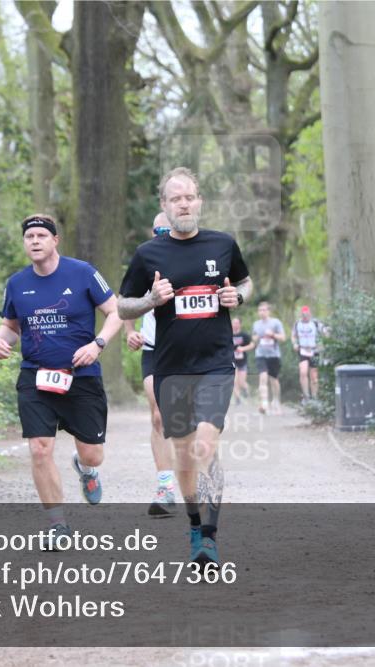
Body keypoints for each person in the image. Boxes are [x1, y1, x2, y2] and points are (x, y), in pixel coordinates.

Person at [117, 167, 253, 567]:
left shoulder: (223, 244)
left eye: (190, 197)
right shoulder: (148, 255)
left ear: (200, 201)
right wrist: (149, 301)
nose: (184, 203)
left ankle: (209, 538)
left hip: (215, 363)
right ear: (165, 206)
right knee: (184, 454)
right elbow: (122, 304)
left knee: (205, 445)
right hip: (170, 368)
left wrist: (236, 297)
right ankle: (194, 524)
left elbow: (245, 283)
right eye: (176, 198)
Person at [0, 214, 122, 549]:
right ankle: (57, 525)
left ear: (55, 240)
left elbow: (116, 311)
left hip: (81, 376)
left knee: (93, 455)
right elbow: (11, 325)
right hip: (35, 375)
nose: (34, 241)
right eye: (28, 236)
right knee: (39, 448)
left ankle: (87, 470)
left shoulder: (82, 273)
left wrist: (98, 344)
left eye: (40, 235)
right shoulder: (17, 283)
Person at [123, 213, 178, 517]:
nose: (163, 234)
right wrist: (131, 332)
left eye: (168, 229)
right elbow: (127, 299)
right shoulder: (146, 260)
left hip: (190, 350)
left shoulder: (196, 260)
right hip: (155, 349)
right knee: (158, 415)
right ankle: (165, 486)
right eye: (158, 229)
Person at [252, 301, 285, 415]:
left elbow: (283, 337)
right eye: (260, 310)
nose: (262, 312)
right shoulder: (256, 324)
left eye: (264, 310)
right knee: (263, 376)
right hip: (261, 354)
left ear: (268, 311)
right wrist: (255, 338)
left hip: (274, 355)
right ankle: (264, 403)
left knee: (274, 380)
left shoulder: (276, 322)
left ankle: (276, 401)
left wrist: (273, 334)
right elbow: (254, 337)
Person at [292, 305, 327, 401]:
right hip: (302, 350)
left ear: (310, 314)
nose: (305, 317)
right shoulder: (297, 324)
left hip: (314, 350)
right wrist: (295, 343)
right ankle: (306, 396)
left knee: (314, 376)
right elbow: (294, 336)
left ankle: (315, 397)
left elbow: (325, 332)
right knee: (303, 372)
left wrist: (324, 340)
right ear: (301, 315)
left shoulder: (315, 323)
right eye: (303, 315)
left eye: (307, 315)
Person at [231, 317, 255, 405]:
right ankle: (237, 399)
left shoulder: (244, 335)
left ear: (240, 324)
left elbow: (252, 345)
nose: (235, 325)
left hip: (242, 361)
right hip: (232, 361)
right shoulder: (228, 334)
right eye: (233, 323)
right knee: (234, 381)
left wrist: (242, 349)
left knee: (241, 382)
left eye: (237, 323)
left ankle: (246, 389)